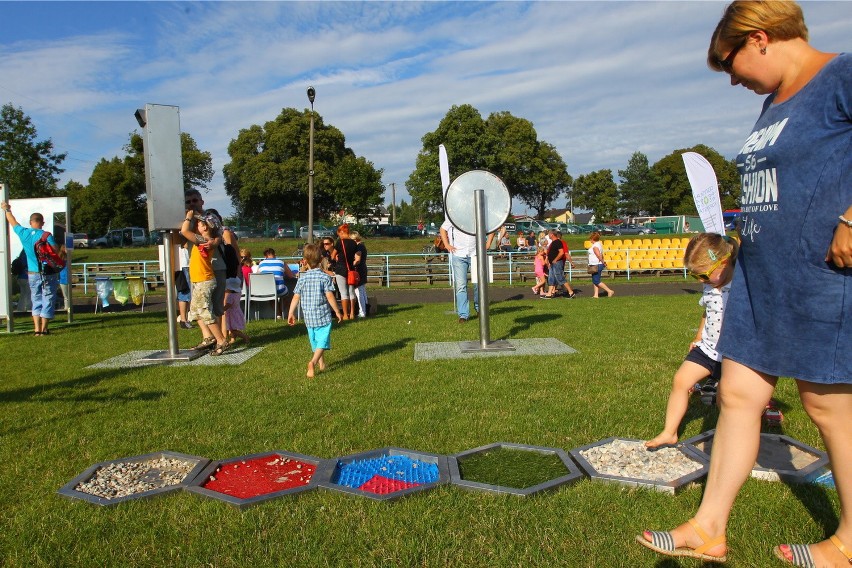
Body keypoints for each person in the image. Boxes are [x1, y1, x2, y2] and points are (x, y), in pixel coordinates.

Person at [637, 2, 852, 565]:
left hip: (820, 274)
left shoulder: (842, 76)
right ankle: (709, 528)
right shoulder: (771, 103)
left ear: (759, 39)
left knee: (827, 406)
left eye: (729, 65)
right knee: (737, 395)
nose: (732, 79)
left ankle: (851, 540)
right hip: (760, 278)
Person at [645, 234, 737, 449]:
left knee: (729, 398)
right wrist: (698, 337)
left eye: (704, 275)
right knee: (680, 381)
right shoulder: (709, 285)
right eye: (696, 277)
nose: (701, 281)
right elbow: (708, 312)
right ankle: (669, 432)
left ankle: (730, 442)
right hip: (707, 348)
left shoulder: (741, 285)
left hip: (734, 353)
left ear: (724, 262)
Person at [1, 202, 59, 335]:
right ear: (42, 222)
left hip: (32, 273)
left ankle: (36, 329)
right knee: (48, 298)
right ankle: (44, 329)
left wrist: (6, 209)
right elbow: (55, 249)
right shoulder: (46, 235)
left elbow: (12, 221)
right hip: (47, 272)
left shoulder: (24, 233)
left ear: (30, 222)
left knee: (36, 298)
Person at [288, 243, 343, 378]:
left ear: (304, 261)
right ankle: (313, 362)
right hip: (323, 315)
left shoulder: (302, 278)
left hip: (308, 316)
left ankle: (321, 364)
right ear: (320, 261)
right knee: (322, 341)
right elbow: (330, 296)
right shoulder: (325, 277)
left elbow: (296, 297)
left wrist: (290, 313)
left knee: (315, 341)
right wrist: (337, 311)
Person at [180, 210, 228, 355]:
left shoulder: (202, 240)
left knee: (205, 312)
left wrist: (188, 217)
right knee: (195, 311)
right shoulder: (209, 239)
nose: (197, 227)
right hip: (200, 280)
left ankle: (221, 340)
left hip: (204, 281)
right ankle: (209, 338)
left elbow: (184, 231)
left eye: (199, 225)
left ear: (205, 228)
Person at [440, 219, 484, 323]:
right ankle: (463, 315)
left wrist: (487, 244)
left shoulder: (477, 213)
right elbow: (442, 229)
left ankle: (479, 309)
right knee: (461, 286)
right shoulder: (454, 216)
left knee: (478, 284)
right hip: (459, 255)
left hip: (475, 254)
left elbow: (490, 229)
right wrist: (446, 245)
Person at [332, 223, 361, 320]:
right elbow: (357, 255)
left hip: (340, 269)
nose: (338, 235)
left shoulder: (340, 242)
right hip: (350, 269)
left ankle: (345, 314)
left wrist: (335, 260)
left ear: (342, 232)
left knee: (343, 293)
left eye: (338, 233)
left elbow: (333, 255)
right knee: (351, 292)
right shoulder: (353, 243)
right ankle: (352, 313)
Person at [257, 248, 296, 319]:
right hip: (280, 290)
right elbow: (291, 276)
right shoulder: (281, 262)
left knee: (272, 295)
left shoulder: (261, 263)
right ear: (275, 255)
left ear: (265, 256)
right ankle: (285, 312)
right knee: (287, 293)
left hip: (266, 291)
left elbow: (257, 276)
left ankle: (279, 314)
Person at [543, 229, 575, 298]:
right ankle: (549, 293)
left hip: (557, 263)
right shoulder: (553, 243)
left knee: (560, 277)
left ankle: (571, 292)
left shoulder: (558, 242)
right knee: (551, 278)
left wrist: (555, 259)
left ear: (552, 234)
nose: (548, 235)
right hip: (552, 263)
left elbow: (562, 252)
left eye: (549, 234)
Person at [587, 232, 615, 299]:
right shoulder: (599, 244)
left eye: (590, 239)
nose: (589, 240)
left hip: (596, 264)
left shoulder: (595, 246)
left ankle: (609, 291)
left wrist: (603, 262)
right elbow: (601, 254)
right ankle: (596, 295)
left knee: (596, 281)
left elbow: (598, 255)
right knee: (595, 280)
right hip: (596, 264)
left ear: (592, 239)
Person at [223, 276, 249, 347]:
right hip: (236, 312)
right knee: (232, 329)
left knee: (232, 329)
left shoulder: (230, 296)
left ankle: (245, 337)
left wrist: (222, 309)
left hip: (232, 314)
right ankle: (232, 339)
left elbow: (228, 305)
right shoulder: (238, 293)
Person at [351, 231, 369, 318]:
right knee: (362, 291)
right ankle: (366, 309)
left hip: (359, 270)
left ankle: (362, 312)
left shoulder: (359, 247)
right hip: (363, 269)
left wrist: (351, 264)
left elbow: (357, 260)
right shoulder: (362, 245)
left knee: (358, 291)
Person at [176, 239, 192, 329]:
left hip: (186, 264)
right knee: (185, 292)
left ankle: (185, 318)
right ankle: (183, 319)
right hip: (184, 265)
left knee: (187, 293)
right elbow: (185, 244)